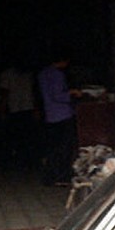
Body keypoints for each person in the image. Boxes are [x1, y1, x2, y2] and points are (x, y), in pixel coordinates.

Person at [37, 51, 81, 186]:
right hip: (62, 114)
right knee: (64, 148)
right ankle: (61, 176)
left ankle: (51, 176)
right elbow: (58, 95)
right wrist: (72, 93)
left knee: (54, 147)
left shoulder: (43, 74)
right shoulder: (57, 74)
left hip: (51, 114)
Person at [0, 61, 37, 168]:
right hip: (17, 108)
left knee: (25, 137)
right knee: (19, 137)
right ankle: (21, 161)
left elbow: (32, 91)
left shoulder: (28, 74)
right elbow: (5, 93)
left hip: (24, 108)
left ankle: (25, 161)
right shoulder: (8, 74)